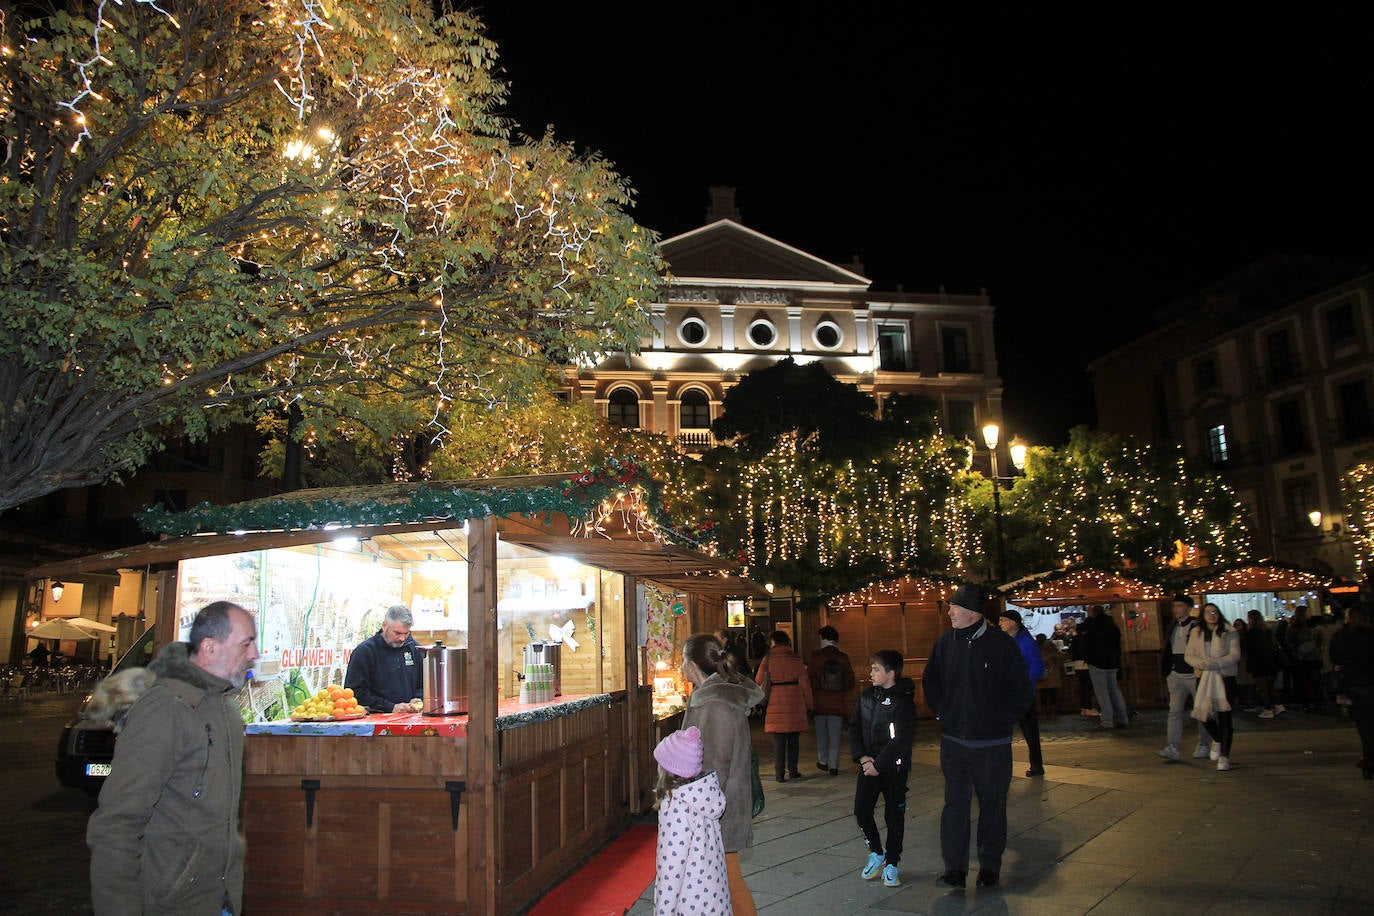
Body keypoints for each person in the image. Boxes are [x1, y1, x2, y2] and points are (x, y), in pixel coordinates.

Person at [86, 601, 260, 916]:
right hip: (172, 901)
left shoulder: (225, 710)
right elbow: (117, 822)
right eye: (246, 644)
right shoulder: (165, 710)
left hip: (218, 897)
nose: (254, 654)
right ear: (209, 647)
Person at [923, 585, 1034, 890]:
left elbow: (1022, 690)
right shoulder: (945, 644)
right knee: (954, 806)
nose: (950, 613)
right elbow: (931, 679)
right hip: (955, 743)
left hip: (992, 745)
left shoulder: (1001, 645)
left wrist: (1001, 720)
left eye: (954, 608)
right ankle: (955, 870)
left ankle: (989, 868)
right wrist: (943, 713)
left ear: (972, 612)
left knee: (993, 806)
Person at [681, 633, 765, 916]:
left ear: (692, 666)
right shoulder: (715, 696)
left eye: (682, 662)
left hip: (717, 809)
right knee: (722, 879)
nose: (681, 668)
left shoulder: (716, 704)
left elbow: (714, 769)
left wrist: (694, 807)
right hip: (720, 806)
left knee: (730, 879)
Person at [850, 649, 917, 888]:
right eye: (871, 668)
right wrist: (863, 759)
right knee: (861, 811)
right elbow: (855, 728)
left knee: (894, 816)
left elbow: (901, 740)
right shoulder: (866, 697)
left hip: (893, 769)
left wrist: (879, 764)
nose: (871, 673)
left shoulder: (904, 701)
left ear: (891, 673)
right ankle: (876, 851)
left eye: (876, 669)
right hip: (868, 767)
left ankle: (892, 862)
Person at [652, 725, 731, 915]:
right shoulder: (704, 795)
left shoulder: (676, 807)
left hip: (690, 904)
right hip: (714, 899)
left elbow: (671, 868)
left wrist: (663, 911)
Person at [1156, 595, 1214, 761]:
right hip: (1176, 673)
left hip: (1194, 673)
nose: (1176, 609)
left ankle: (1204, 743)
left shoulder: (1197, 626)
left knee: (1201, 710)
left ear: (1188, 608)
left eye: (1180, 606)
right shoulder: (1173, 626)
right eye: (1175, 606)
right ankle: (1172, 745)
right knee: (1174, 711)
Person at [1186, 602, 1240, 772]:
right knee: (1203, 714)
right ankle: (1217, 738)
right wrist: (1202, 664)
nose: (1212, 615)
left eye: (1214, 612)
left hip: (1223, 677)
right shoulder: (1196, 632)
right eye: (1208, 612)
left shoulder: (1229, 631)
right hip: (1203, 677)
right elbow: (1189, 655)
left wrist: (1216, 663)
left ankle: (1224, 755)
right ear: (1202, 615)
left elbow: (1234, 655)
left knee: (1224, 716)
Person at [754, 630, 813, 782]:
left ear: (773, 642)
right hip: (795, 701)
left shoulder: (768, 659)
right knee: (794, 739)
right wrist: (810, 704)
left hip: (776, 700)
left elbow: (758, 680)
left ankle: (779, 773)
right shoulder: (796, 658)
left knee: (779, 740)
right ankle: (793, 770)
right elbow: (805, 684)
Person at [344, 604, 423, 713]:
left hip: (410, 719)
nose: (402, 638)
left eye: (406, 633)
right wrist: (390, 707)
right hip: (375, 720)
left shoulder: (414, 648)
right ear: (384, 625)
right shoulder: (365, 652)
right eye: (397, 633)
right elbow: (355, 692)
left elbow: (423, 682)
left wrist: (418, 698)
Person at [1329, 605, 1374, 780]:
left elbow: (1335, 657)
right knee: (1369, 724)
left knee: (1363, 725)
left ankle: (1368, 760)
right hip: (1368, 682)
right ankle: (1369, 759)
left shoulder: (1340, 636)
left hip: (1351, 683)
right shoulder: (1369, 636)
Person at [999, 609, 1046, 776]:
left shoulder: (1026, 642)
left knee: (1029, 729)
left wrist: (1021, 682)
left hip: (1022, 693)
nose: (1000, 623)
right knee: (1003, 729)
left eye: (1003, 620)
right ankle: (1001, 765)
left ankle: (1036, 764)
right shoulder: (1006, 640)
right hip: (1008, 692)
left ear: (1013, 623)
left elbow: (1037, 667)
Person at [808, 625, 856, 776]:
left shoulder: (816, 656)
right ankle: (834, 765)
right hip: (837, 702)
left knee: (821, 734)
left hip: (820, 701)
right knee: (835, 735)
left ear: (823, 638)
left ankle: (823, 761)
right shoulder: (842, 657)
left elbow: (809, 677)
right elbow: (850, 680)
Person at [1080, 605, 1129, 729]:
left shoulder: (1093, 626)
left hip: (1097, 663)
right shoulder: (1112, 626)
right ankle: (1123, 718)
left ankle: (1107, 721)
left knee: (1102, 693)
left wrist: (1088, 658)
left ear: (1093, 613)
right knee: (1114, 690)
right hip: (1113, 662)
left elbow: (1087, 643)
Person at [1243, 609, 1283, 718]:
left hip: (1258, 663)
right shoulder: (1267, 631)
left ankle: (1268, 709)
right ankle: (1278, 705)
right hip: (1270, 661)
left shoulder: (1250, 633)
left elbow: (1247, 648)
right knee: (1270, 686)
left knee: (1262, 687)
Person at [1286, 604, 1323, 711]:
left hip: (1308, 658)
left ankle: (1312, 702)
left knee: (1311, 682)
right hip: (1304, 658)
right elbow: (1290, 643)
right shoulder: (1297, 628)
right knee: (1307, 682)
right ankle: (1309, 702)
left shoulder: (1311, 626)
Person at [1036, 634, 1063, 714]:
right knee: (1052, 692)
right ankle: (1052, 710)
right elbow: (1059, 657)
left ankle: (1044, 710)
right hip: (1052, 672)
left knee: (1043, 693)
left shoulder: (1035, 647)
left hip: (1041, 672)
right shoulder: (1051, 646)